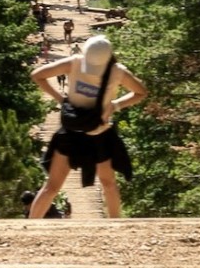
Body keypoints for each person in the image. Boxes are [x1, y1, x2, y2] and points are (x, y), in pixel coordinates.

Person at [27, 36, 147, 218]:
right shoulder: (117, 72)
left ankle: (31, 227)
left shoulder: (75, 62)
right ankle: (115, 227)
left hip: (71, 132)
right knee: (109, 185)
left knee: (51, 187)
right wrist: (114, 106)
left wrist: (61, 99)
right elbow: (141, 92)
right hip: (99, 133)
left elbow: (37, 75)